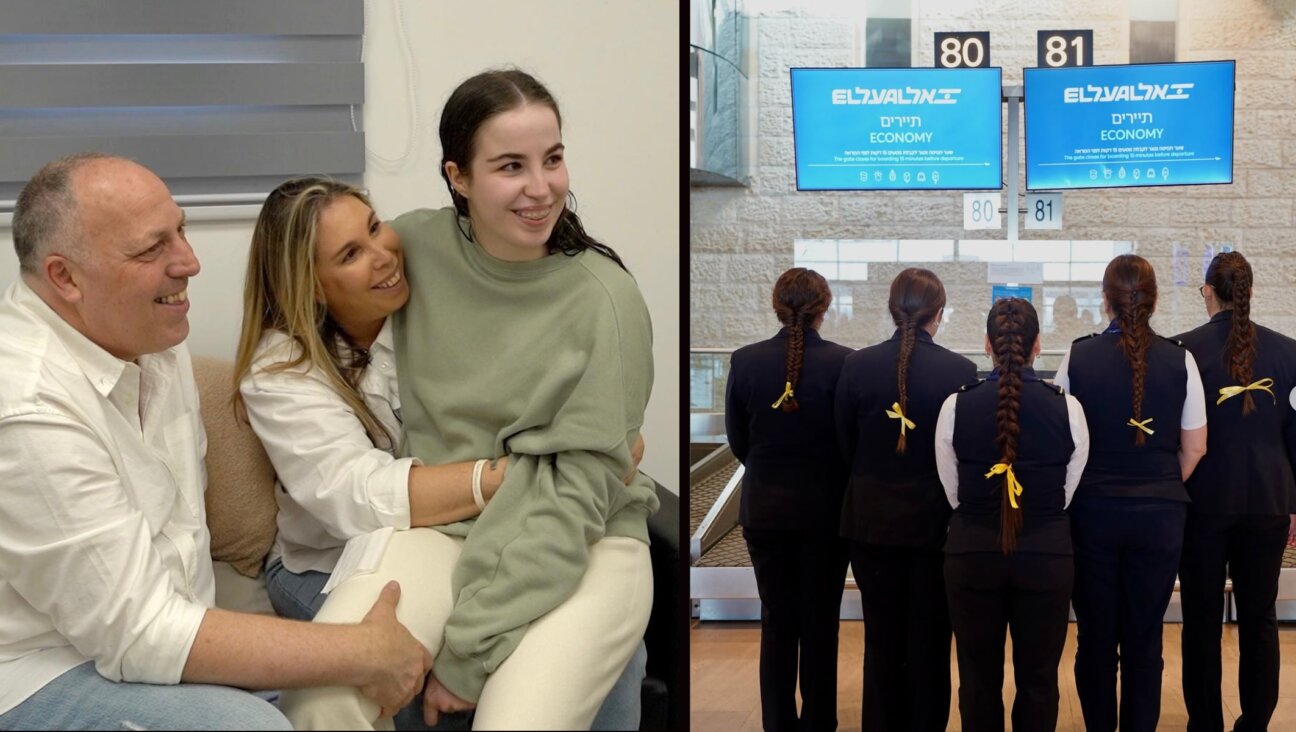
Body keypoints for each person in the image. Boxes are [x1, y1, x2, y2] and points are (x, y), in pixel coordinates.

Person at [0, 153, 431, 730]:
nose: (190, 263)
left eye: (181, 229)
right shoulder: (26, 407)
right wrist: (361, 650)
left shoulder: (152, 335)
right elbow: (138, 631)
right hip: (44, 670)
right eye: (151, 249)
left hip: (154, 645)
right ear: (65, 277)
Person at [283, 68, 658, 731]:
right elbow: (308, 298)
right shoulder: (410, 247)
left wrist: (466, 654)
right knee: (322, 696)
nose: (541, 188)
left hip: (587, 540)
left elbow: (574, 500)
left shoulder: (606, 299)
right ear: (458, 176)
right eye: (511, 166)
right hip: (444, 531)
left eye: (553, 159)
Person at [1053, 253, 1209, 732]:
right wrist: (1159, 487)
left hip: (1092, 515)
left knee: (1096, 637)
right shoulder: (1182, 359)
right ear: (1154, 299)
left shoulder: (1077, 357)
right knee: (1145, 638)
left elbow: (1063, 441)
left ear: (1105, 300)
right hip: (1161, 517)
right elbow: (1196, 448)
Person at [935, 297, 1089, 732]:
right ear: (1038, 345)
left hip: (971, 552)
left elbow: (953, 490)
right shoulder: (1068, 408)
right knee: (1040, 678)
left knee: (977, 677)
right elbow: (1068, 488)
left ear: (986, 344)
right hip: (1047, 554)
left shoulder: (955, 406)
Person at [834, 267, 976, 732]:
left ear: (892, 309)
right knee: (932, 641)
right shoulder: (959, 371)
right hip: (935, 528)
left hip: (870, 524)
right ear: (940, 312)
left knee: (881, 641)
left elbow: (844, 445)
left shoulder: (856, 366)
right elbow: (962, 454)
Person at [724, 267, 852, 732]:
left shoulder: (745, 360)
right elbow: (848, 441)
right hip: (826, 515)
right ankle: (821, 722)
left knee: (777, 622)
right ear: (825, 306)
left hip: (764, 512)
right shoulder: (845, 363)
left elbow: (740, 442)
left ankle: (777, 723)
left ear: (776, 305)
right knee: (822, 623)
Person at [1174, 251, 1296, 732]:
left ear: (1208, 292)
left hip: (1202, 503)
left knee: (1201, 619)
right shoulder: (1289, 352)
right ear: (1250, 292)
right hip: (1269, 500)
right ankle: (1257, 722)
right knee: (1260, 618)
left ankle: (1205, 722)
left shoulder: (1183, 350)